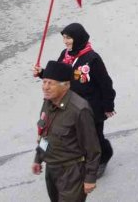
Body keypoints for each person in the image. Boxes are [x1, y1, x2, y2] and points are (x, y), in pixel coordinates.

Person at [32, 24, 116, 178]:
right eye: (64, 37)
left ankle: (104, 157)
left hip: (91, 107)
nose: (65, 41)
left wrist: (108, 106)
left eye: (68, 38)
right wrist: (42, 73)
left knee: (94, 137)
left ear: (79, 38)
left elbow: (106, 84)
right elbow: (57, 76)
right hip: (70, 105)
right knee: (78, 136)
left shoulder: (92, 59)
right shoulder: (65, 55)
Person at [32, 61, 101, 201]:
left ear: (66, 86)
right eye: (44, 82)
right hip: (52, 170)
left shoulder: (80, 110)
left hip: (72, 172)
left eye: (50, 83)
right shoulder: (48, 102)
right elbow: (45, 134)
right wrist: (38, 158)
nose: (45, 87)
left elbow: (92, 147)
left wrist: (90, 177)